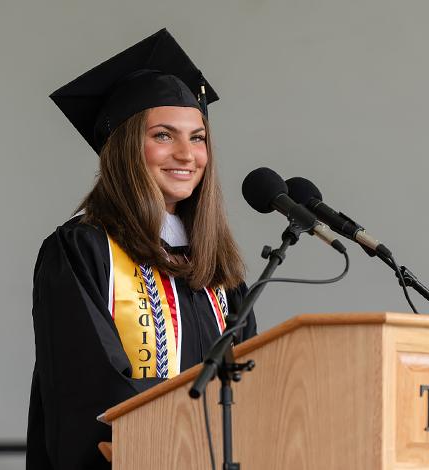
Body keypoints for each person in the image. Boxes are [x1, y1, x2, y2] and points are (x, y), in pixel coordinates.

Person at [26, 28, 257, 470]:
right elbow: (88, 390)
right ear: (128, 147)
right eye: (164, 136)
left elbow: (251, 380)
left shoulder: (215, 268)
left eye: (198, 137)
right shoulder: (82, 250)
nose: (187, 154)